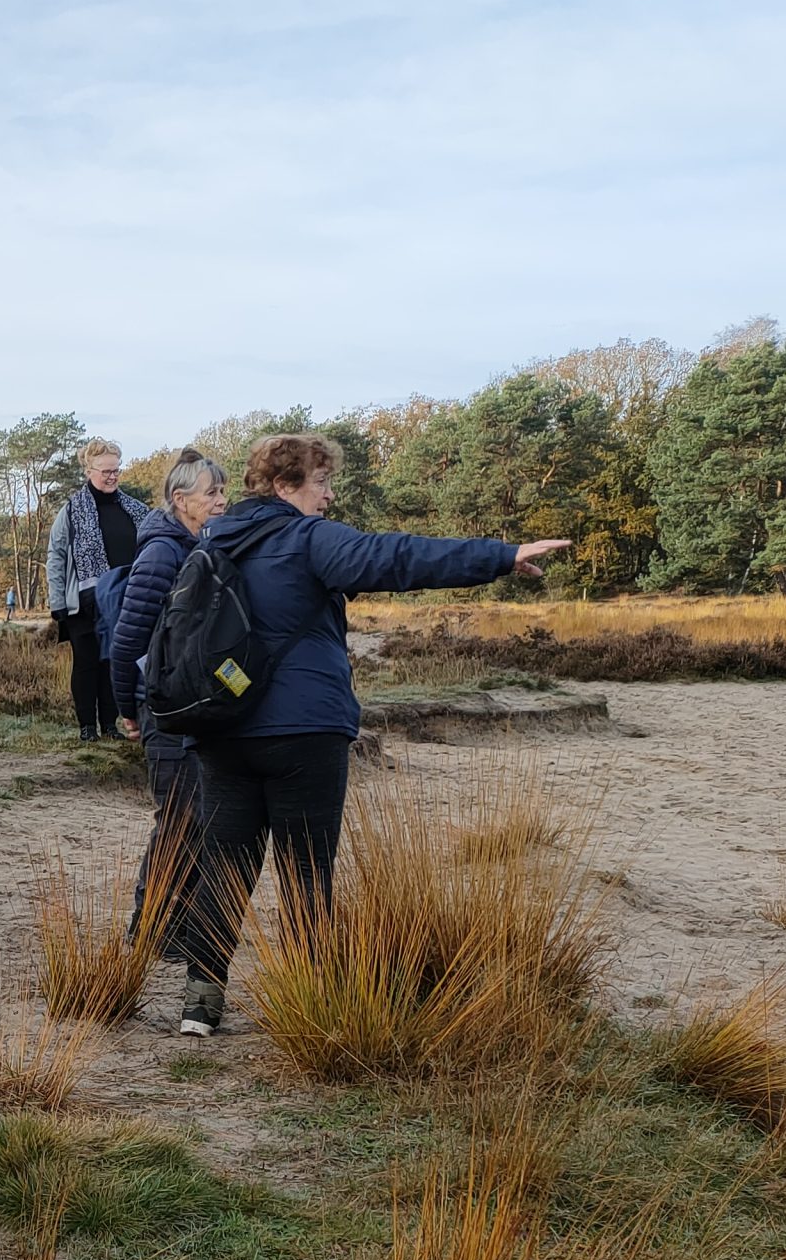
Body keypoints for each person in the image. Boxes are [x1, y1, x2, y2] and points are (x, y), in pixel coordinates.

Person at [170, 433, 566, 1037]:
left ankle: (200, 999)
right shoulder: (307, 539)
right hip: (304, 731)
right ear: (284, 486)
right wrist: (500, 555)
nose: (329, 496)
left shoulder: (211, 539)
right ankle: (311, 1001)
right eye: (320, 482)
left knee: (225, 862)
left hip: (221, 726)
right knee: (307, 867)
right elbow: (398, 558)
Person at [109, 447, 230, 941]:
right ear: (181, 500)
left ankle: (176, 930)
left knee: (201, 821)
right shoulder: (163, 552)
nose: (222, 501)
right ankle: (148, 928)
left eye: (224, 491)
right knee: (179, 821)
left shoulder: (204, 546)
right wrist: (128, 711)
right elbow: (125, 641)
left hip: (198, 707)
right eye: (212, 493)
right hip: (164, 709)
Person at [45, 439, 158, 739]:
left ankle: (110, 725)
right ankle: (86, 728)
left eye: (116, 471)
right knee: (86, 663)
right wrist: (57, 601)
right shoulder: (71, 510)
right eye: (105, 471)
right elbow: (55, 556)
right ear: (89, 470)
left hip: (124, 599)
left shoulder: (136, 510)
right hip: (83, 602)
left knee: (113, 661)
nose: (111, 476)